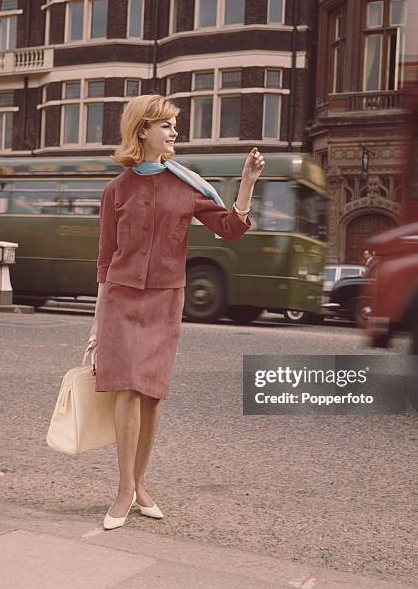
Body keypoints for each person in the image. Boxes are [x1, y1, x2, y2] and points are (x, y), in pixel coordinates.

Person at [86, 94, 264, 530]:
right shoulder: (116, 190)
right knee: (125, 389)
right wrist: (95, 324)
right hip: (121, 300)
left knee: (150, 392)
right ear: (142, 130)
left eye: (173, 125)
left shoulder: (188, 186)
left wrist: (247, 182)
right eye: (165, 125)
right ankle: (124, 488)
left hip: (165, 300)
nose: (173, 132)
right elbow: (106, 259)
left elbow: (231, 230)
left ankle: (141, 483)